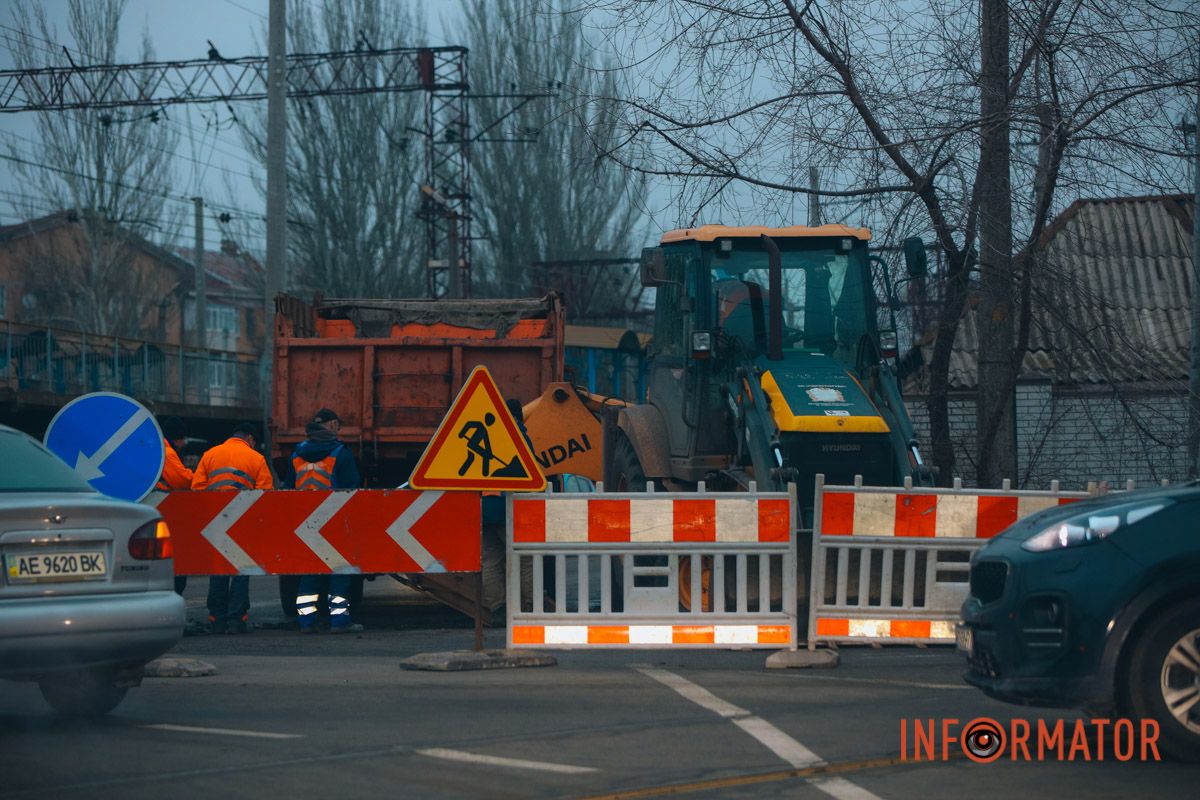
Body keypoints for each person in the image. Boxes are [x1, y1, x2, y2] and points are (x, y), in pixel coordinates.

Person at [284, 408, 363, 634]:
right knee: (339, 571)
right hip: (335, 521)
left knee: (309, 572)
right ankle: (339, 622)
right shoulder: (340, 453)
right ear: (331, 426)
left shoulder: (296, 454)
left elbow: (288, 489)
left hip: (305, 524)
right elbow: (352, 489)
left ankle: (306, 622)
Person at [191, 421, 274, 633]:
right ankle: (237, 619)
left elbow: (196, 488)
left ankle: (216, 618)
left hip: (216, 521)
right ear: (250, 440)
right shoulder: (256, 458)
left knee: (218, 568)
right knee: (240, 569)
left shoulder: (210, 454)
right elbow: (266, 494)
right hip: (243, 522)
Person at [155, 416, 194, 595]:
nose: (183, 443)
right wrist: (195, 475)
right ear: (176, 437)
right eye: (182, 439)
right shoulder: (166, 452)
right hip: (163, 509)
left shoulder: (155, 446)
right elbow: (182, 481)